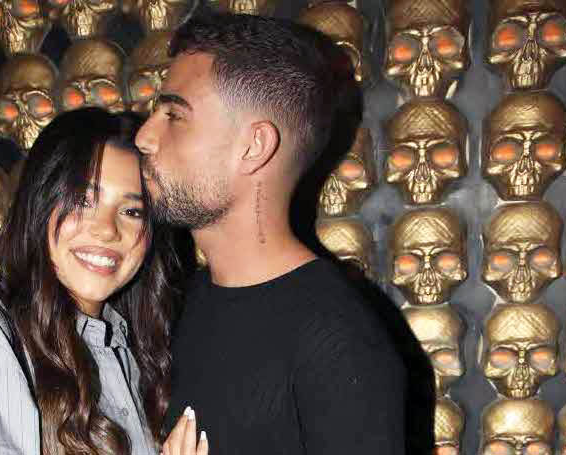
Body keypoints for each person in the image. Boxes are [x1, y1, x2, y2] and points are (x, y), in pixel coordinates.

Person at [136, 13, 408, 455]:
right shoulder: (180, 302)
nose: (146, 136)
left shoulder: (339, 341)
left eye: (174, 115)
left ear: (254, 147)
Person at [0, 108, 184, 455]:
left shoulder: (131, 354)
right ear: (40, 204)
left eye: (132, 211)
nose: (107, 229)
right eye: (83, 200)